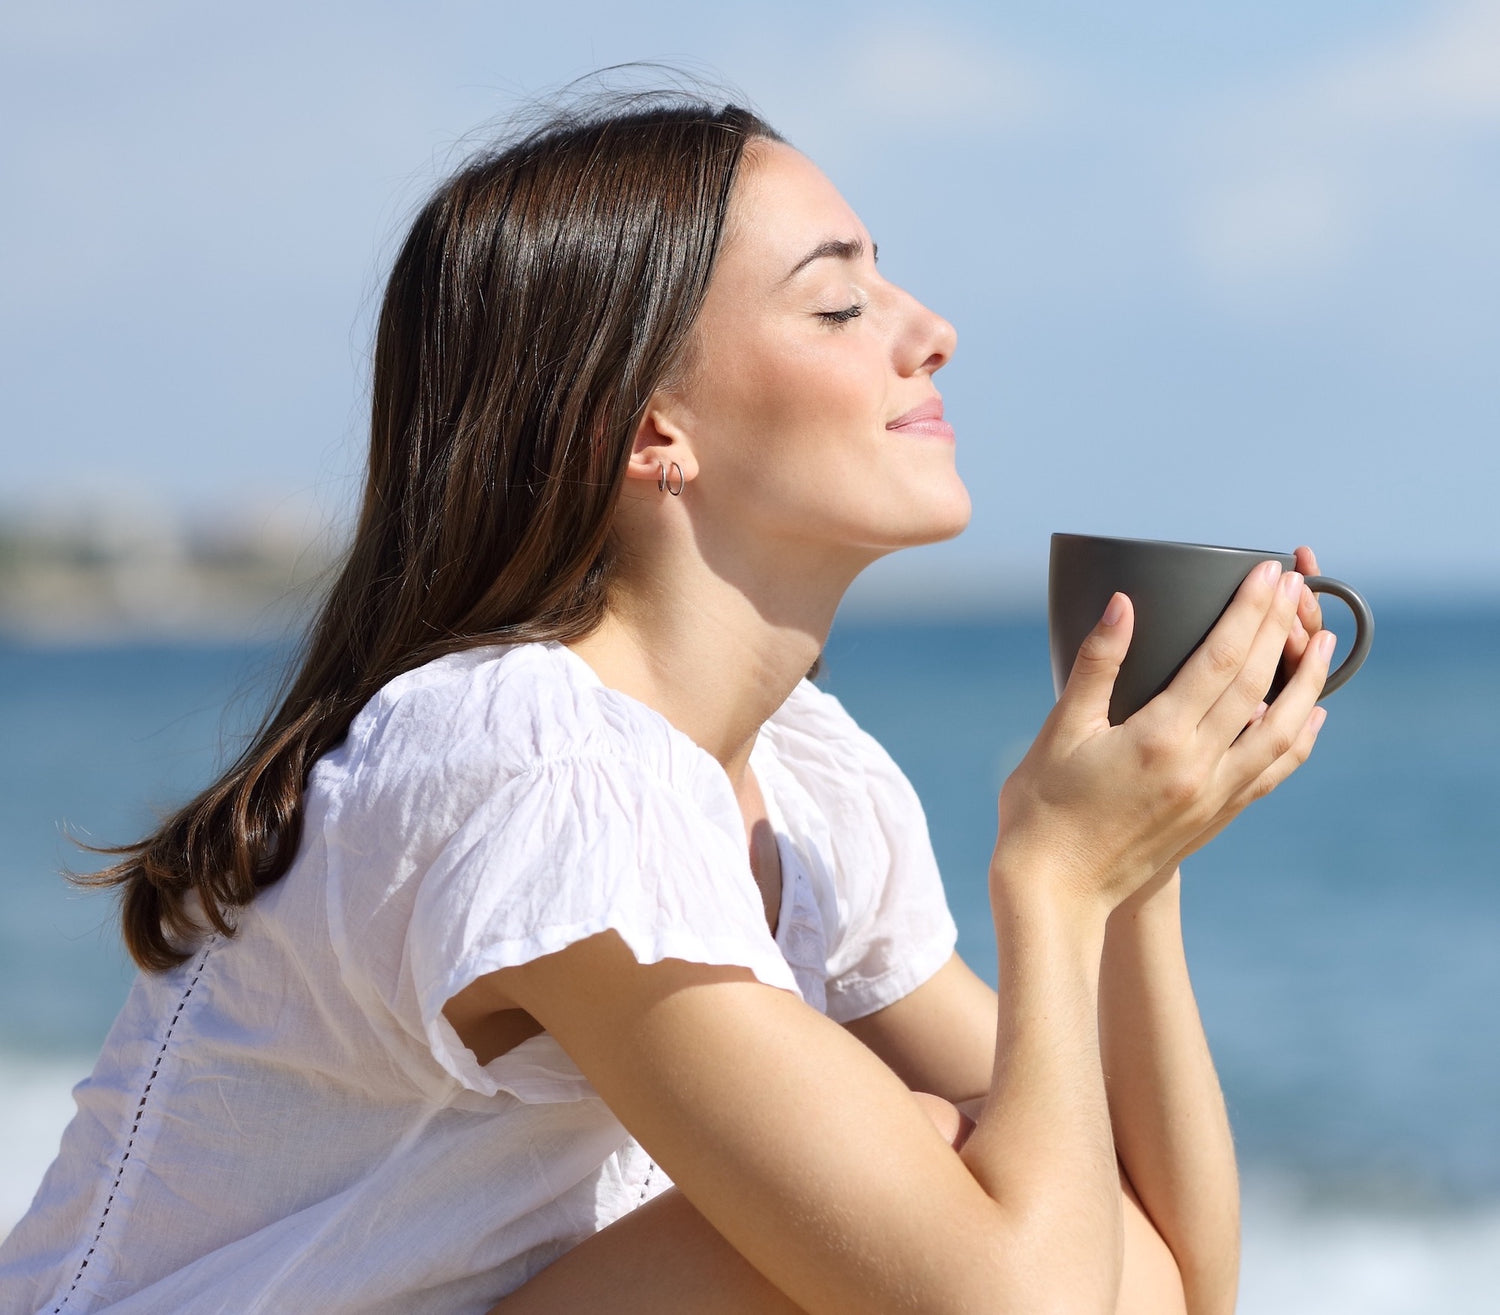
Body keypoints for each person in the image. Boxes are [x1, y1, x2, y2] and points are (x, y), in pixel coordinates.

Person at [0, 88, 1336, 1315]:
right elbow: (1018, 1304)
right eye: (837, 307)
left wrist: (1137, 863)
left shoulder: (799, 778)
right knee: (916, 1196)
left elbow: (1172, 1283)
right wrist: (1052, 883)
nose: (932, 334)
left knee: (958, 1195)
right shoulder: (533, 770)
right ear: (652, 430)